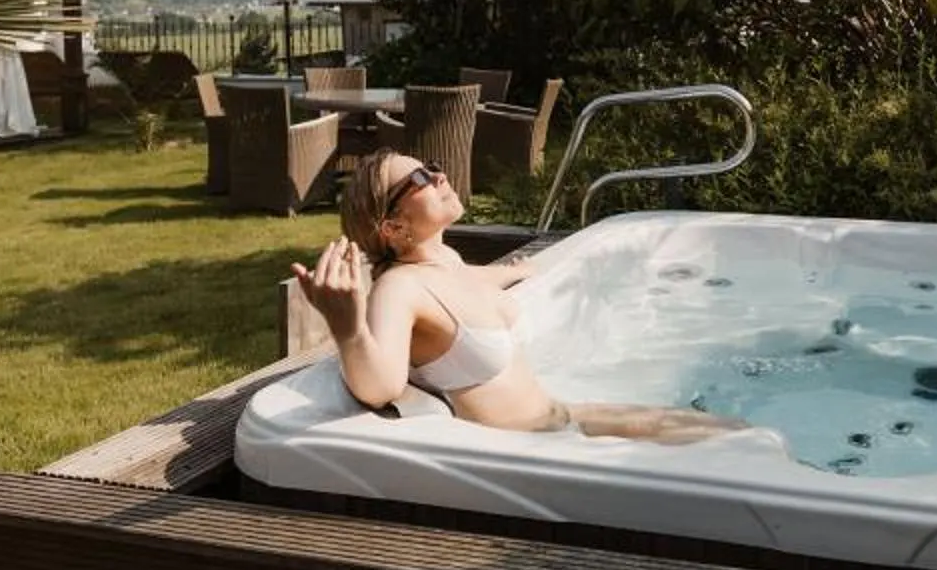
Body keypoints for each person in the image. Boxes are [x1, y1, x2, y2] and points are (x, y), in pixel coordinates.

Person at [293, 151, 742, 443]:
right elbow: (381, 387)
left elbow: (470, 283)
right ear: (393, 227)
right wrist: (348, 329)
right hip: (536, 450)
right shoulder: (398, 288)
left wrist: (520, 271)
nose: (439, 175)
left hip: (566, 418)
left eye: (431, 165)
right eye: (420, 177)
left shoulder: (445, 260)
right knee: (728, 448)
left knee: (735, 434)